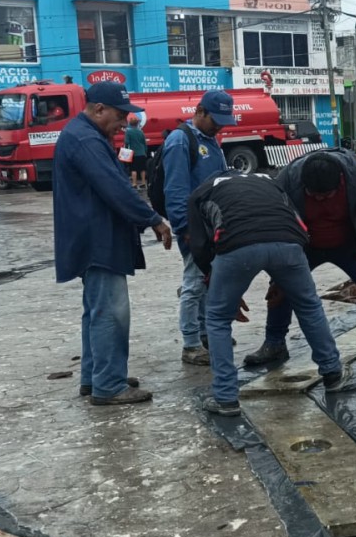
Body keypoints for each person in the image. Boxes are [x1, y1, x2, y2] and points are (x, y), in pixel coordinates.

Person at [52, 82, 173, 406]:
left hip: (91, 235)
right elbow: (116, 189)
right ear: (99, 109)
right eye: (120, 116)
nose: (123, 123)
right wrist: (153, 219)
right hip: (97, 238)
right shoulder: (86, 139)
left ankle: (96, 377)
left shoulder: (83, 134)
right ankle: (109, 384)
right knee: (110, 312)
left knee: (96, 310)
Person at [188, 170, 348, 415]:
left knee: (218, 318)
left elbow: (198, 244)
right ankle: (333, 374)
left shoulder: (203, 191)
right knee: (308, 306)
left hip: (237, 247)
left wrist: (216, 281)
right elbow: (297, 221)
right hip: (288, 244)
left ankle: (225, 398)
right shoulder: (268, 181)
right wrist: (287, 274)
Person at [243, 149, 356, 369]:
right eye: (313, 195)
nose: (319, 199)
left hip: (350, 244)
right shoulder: (289, 179)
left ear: (339, 181)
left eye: (325, 195)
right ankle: (274, 342)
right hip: (305, 246)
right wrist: (278, 272)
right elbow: (274, 220)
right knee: (281, 288)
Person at [163, 90, 233, 367]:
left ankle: (206, 334)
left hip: (212, 225)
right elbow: (176, 189)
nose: (219, 126)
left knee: (209, 281)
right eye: (215, 120)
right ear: (200, 111)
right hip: (194, 227)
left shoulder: (212, 141)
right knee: (194, 283)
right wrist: (184, 228)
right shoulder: (181, 141)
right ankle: (191, 344)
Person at [124, 115, 149, 189]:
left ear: (130, 124)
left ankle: (134, 184)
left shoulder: (128, 132)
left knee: (133, 169)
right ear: (137, 124)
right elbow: (144, 143)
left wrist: (126, 150)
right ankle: (144, 183)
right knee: (142, 169)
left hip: (133, 153)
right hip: (142, 152)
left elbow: (127, 142)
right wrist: (145, 151)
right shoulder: (141, 132)